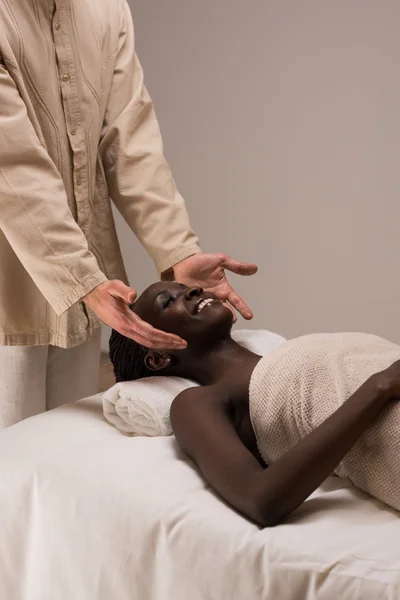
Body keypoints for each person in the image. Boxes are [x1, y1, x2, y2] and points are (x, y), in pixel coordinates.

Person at [0, 0, 257, 427]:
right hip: (13, 286)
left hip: (92, 285)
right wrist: (82, 279)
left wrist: (178, 251)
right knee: (9, 457)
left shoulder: (106, 9)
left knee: (73, 444)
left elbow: (130, 139)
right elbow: (14, 168)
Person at [110, 281, 400, 527]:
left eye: (188, 287)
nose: (194, 290)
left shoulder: (282, 354)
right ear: (158, 357)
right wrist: (379, 387)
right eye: (168, 301)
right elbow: (259, 499)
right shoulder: (197, 402)